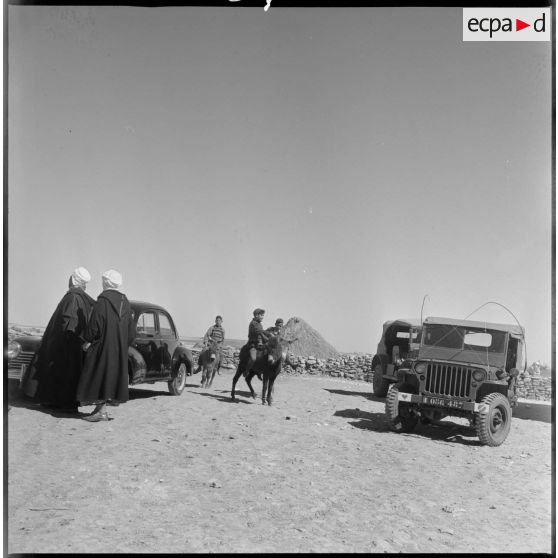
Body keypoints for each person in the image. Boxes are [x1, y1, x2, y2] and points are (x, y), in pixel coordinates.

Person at [22, 267, 95, 413]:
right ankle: (60, 402)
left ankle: (64, 403)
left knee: (61, 373)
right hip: (73, 344)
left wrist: (61, 341)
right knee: (67, 374)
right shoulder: (81, 299)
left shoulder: (72, 297)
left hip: (65, 344)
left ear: (74, 279)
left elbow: (69, 322)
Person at [76, 269, 135, 422]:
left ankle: (100, 411)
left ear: (106, 282)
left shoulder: (103, 301)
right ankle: (101, 410)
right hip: (119, 350)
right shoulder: (125, 303)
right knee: (109, 378)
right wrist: (122, 345)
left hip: (101, 347)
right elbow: (131, 332)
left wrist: (86, 340)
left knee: (96, 374)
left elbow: (94, 326)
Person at [244, 308, 270, 376]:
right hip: (253, 344)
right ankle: (246, 370)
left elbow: (263, 332)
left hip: (260, 344)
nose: (262, 317)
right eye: (261, 315)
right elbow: (260, 332)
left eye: (263, 315)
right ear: (256, 315)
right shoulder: (253, 324)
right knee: (253, 358)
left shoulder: (259, 324)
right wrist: (267, 338)